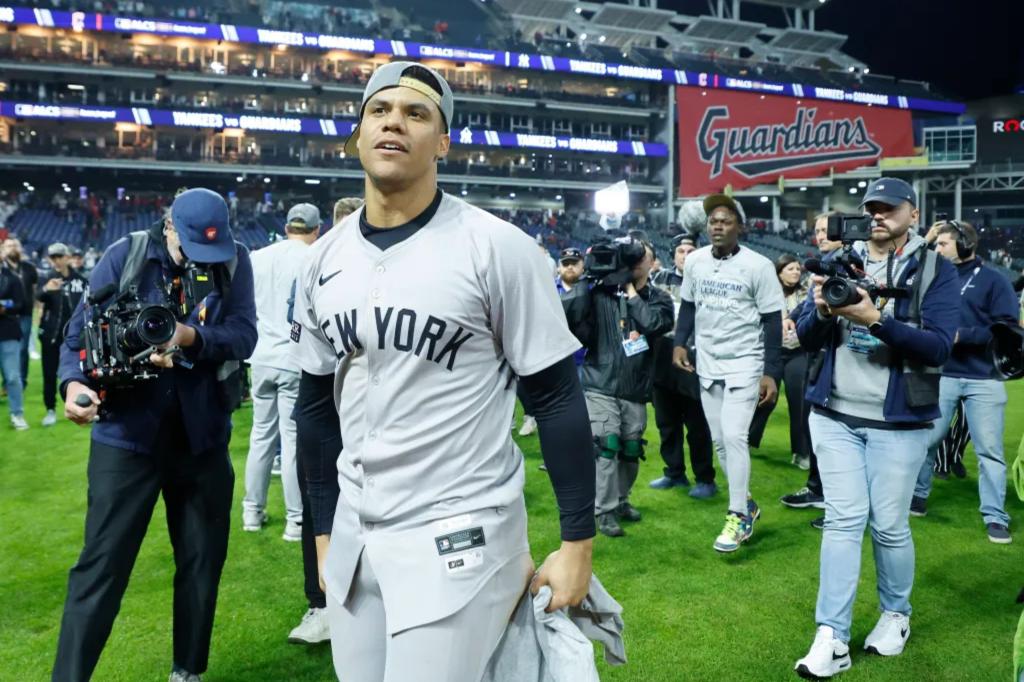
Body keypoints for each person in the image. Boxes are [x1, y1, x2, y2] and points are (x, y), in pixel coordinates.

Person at [290, 61, 595, 681]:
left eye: (416, 113)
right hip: (354, 531)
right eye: (379, 110)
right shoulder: (321, 259)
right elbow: (316, 408)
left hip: (461, 528)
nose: (394, 123)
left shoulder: (498, 247)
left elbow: (558, 400)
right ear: (358, 133)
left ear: (443, 142)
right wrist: (322, 532)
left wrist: (577, 543)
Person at [53, 188, 257, 682]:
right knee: (101, 567)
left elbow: (245, 334)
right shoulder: (126, 255)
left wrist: (191, 337)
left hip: (202, 438)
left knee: (202, 562)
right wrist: (73, 385)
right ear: (169, 227)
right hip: (127, 438)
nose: (203, 258)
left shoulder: (235, 260)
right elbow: (76, 337)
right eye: (192, 246)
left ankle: (189, 671)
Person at [792, 177, 959, 678]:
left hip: (899, 420)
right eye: (872, 208)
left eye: (889, 208)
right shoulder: (841, 260)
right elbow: (805, 335)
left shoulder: (936, 268)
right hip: (834, 414)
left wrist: (875, 320)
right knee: (842, 522)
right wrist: (824, 310)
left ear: (913, 213)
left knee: (888, 526)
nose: (878, 216)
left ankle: (895, 614)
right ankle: (831, 636)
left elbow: (939, 347)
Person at [672, 195, 783, 553]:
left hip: (745, 361)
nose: (717, 226)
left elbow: (772, 321)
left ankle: (737, 515)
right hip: (708, 361)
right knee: (720, 441)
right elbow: (689, 306)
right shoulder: (696, 261)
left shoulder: (759, 266)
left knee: (734, 436)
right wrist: (679, 342)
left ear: (740, 227)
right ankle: (746, 502)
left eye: (726, 220)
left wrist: (771, 372)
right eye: (713, 221)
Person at [911, 220, 1019, 543]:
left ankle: (995, 516)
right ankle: (917, 495)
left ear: (965, 245)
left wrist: (964, 335)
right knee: (927, 440)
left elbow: (1007, 328)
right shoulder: (936, 278)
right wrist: (927, 238)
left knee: (989, 451)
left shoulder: (994, 280)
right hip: (942, 372)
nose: (938, 249)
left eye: (943, 244)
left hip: (984, 377)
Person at [563, 238, 674, 537]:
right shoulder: (598, 293)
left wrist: (630, 293)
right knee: (607, 445)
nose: (635, 263)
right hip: (599, 382)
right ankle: (605, 510)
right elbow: (568, 315)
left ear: (651, 263)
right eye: (631, 259)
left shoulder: (660, 298)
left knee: (631, 449)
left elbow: (655, 324)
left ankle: (622, 499)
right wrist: (586, 278)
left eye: (641, 258)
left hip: (635, 387)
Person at [291, 198, 362, 646]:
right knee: (319, 503)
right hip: (322, 405)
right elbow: (313, 375)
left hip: (381, 421)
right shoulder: (316, 268)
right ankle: (320, 604)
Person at [242, 204, 321, 542]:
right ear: (316, 230)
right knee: (290, 442)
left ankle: (251, 512)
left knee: (260, 436)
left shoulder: (257, 257)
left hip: (261, 357)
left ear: (287, 227)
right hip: (294, 358)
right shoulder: (315, 256)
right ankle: (295, 521)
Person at [780, 212, 842, 530]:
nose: (820, 235)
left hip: (836, 356)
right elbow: (808, 306)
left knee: (834, 432)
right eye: (817, 230)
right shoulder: (822, 264)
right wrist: (793, 316)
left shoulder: (847, 263)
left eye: (826, 229)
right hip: (816, 354)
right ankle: (818, 489)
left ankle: (838, 503)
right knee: (817, 425)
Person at [649, 233, 716, 498]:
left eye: (691, 251)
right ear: (673, 255)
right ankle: (674, 473)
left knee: (697, 424)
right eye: (681, 251)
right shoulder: (659, 279)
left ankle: (705, 479)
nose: (686, 256)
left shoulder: (709, 281)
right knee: (666, 422)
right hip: (662, 357)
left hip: (696, 359)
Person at [747, 254, 813, 470]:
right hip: (772, 352)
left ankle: (801, 452)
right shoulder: (768, 292)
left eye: (798, 269)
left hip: (797, 351)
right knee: (765, 397)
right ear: (779, 272)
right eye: (790, 269)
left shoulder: (805, 293)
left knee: (799, 402)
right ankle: (747, 440)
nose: (796, 272)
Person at [37, 242, 87, 427]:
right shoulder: (47, 278)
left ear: (68, 257)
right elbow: (36, 297)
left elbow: (89, 305)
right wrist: (46, 289)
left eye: (59, 256)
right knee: (49, 374)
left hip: (75, 337)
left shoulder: (80, 280)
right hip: (51, 335)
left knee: (82, 372)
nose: (56, 261)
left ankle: (82, 405)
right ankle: (50, 410)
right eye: (53, 257)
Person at [2, 237, 38, 391]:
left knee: (23, 348)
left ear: (20, 248)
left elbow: (34, 290)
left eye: (15, 245)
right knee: (5, 349)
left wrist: (36, 309)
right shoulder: (2, 269)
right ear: (3, 249)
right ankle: (7, 382)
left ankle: (21, 380)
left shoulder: (29, 268)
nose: (12, 248)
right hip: (6, 315)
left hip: (25, 314)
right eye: (9, 246)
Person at [0, 248, 26, 429]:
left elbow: (21, 304)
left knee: (12, 377)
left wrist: (4, 308)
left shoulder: (13, 278)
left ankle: (17, 414)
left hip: (8, 332)